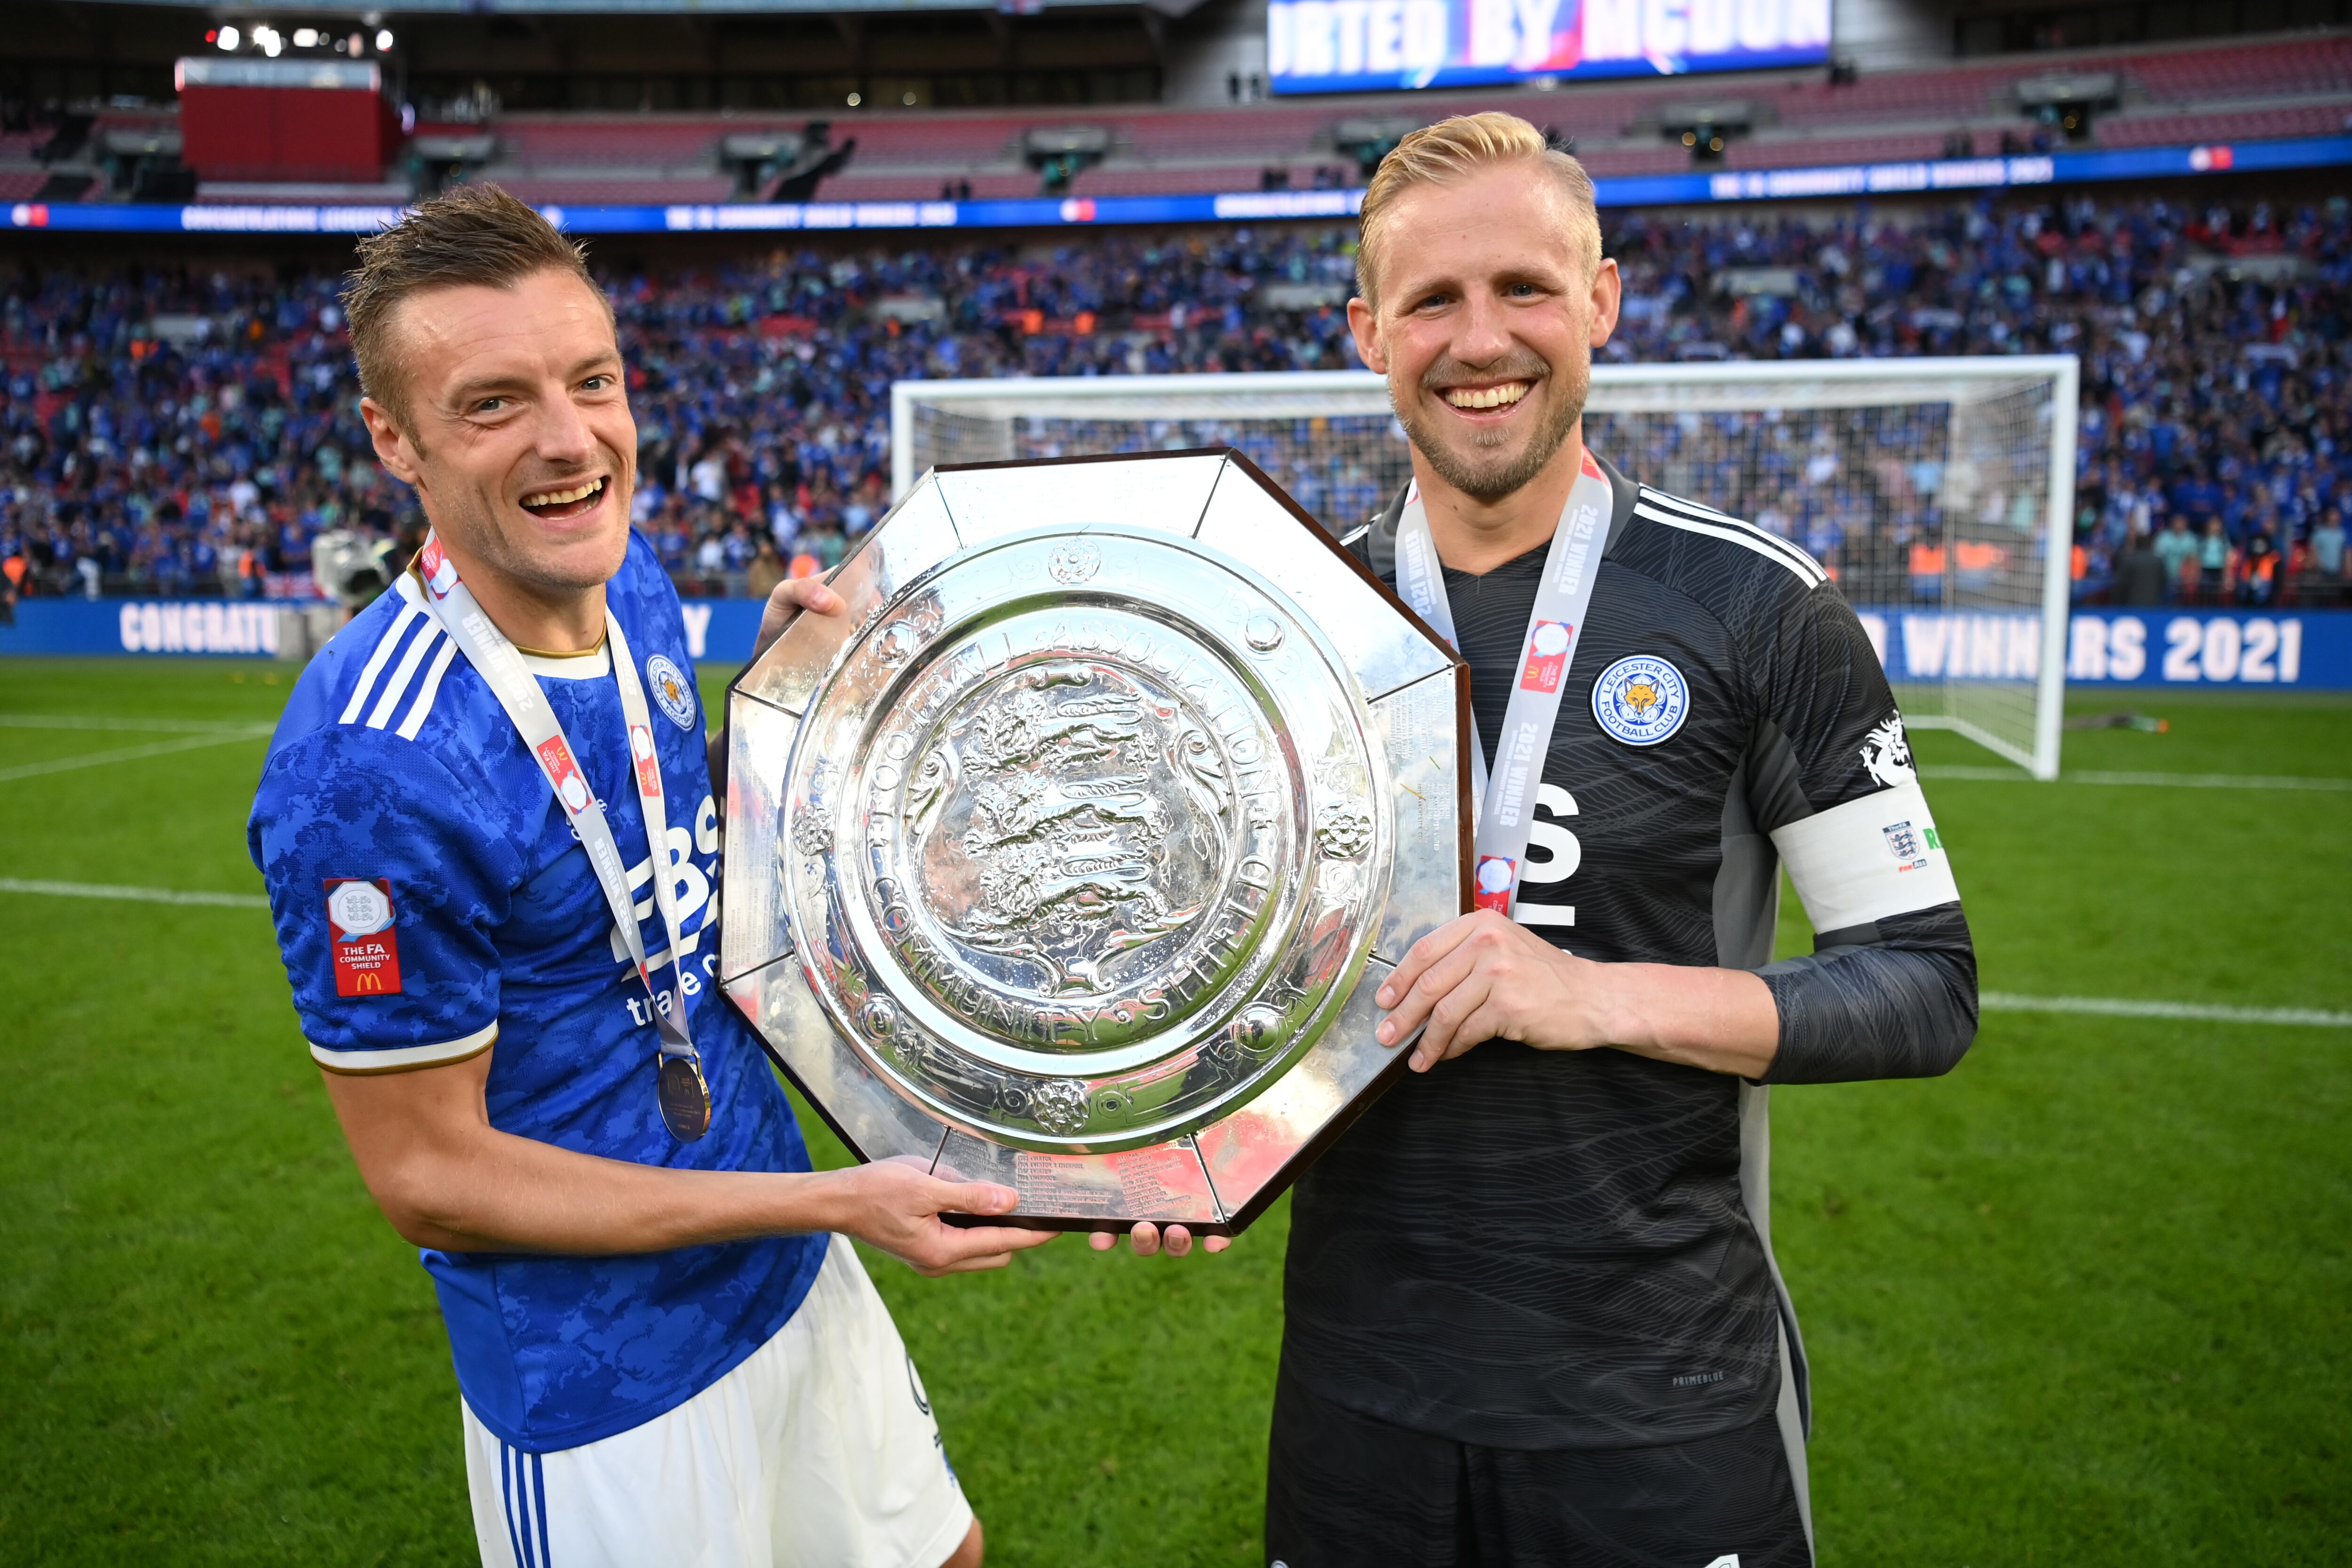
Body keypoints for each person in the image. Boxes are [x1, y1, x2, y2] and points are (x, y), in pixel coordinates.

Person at [246, 185, 1052, 1568]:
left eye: (592, 381)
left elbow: (667, 845)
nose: (571, 441)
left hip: (784, 1265)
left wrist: (788, 700)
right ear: (395, 440)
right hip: (604, 1385)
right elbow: (431, 1176)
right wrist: (831, 1197)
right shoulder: (366, 772)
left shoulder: (632, 587)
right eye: (493, 403)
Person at [1221, 113, 1975, 1567]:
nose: (1477, 337)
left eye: (1523, 288)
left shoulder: (1758, 610)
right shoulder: (1278, 624)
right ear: (1367, 329)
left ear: (1601, 303)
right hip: (1355, 1405)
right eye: (1431, 300)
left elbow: (1923, 984)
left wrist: (1586, 992)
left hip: (1662, 1406)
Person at [2115, 525, 2168, 606]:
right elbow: (2164, 583)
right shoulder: (2158, 561)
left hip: (2132, 604)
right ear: (2151, 544)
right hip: (2154, 604)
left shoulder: (2130, 561)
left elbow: (2122, 584)